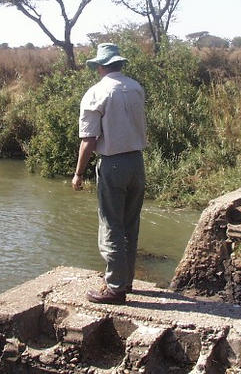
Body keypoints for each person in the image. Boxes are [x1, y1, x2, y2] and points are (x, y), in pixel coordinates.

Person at [72, 42, 147, 305]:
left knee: (111, 224)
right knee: (130, 223)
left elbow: (89, 140)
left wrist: (78, 173)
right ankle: (126, 281)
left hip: (113, 164)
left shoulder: (97, 93)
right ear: (120, 64)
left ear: (100, 66)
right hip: (137, 162)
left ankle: (115, 288)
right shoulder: (136, 88)